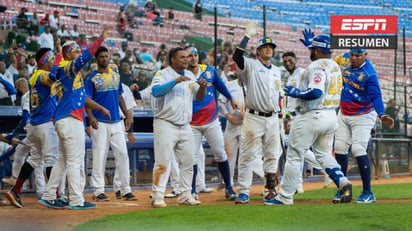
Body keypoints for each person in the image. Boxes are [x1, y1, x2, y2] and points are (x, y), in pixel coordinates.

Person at [264, 34, 353, 205]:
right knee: (324, 154)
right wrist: (312, 45)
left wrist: (296, 93)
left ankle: (285, 197)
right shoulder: (334, 65)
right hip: (331, 116)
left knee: (295, 155)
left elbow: (316, 92)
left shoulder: (316, 66)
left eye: (313, 49)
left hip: (313, 116)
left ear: (318, 50)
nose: (311, 51)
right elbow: (323, 63)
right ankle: (343, 182)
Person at [38, 27, 111, 210]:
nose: (79, 52)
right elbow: (85, 57)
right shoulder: (70, 68)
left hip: (65, 118)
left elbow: (82, 97)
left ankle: (48, 196)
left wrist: (100, 107)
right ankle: (76, 200)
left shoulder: (65, 69)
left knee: (63, 159)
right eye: (75, 50)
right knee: (74, 159)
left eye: (79, 49)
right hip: (70, 118)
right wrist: (99, 40)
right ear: (69, 55)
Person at [333, 48, 394, 203]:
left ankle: (368, 192)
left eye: (358, 56)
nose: (353, 58)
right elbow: (329, 63)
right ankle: (343, 188)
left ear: (365, 55)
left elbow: (376, 96)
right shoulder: (344, 59)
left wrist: (381, 114)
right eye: (352, 55)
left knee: (358, 148)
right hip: (344, 112)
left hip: (364, 114)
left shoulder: (369, 74)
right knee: (339, 147)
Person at [150, 47, 207, 208]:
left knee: (189, 160)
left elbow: (198, 96)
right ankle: (157, 195)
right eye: (182, 57)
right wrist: (174, 81)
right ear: (173, 59)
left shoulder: (189, 75)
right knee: (162, 161)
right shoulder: (163, 74)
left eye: (187, 57)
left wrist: (202, 87)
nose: (186, 60)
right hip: (165, 122)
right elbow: (155, 91)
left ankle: (185, 195)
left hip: (185, 124)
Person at [232, 22, 282, 204]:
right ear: (258, 51)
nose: (268, 49)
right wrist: (247, 36)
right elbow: (237, 56)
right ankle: (244, 191)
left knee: (272, 155)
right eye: (264, 47)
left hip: (273, 117)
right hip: (254, 117)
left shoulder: (277, 70)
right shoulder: (251, 65)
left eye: (271, 47)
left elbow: (277, 95)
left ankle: (270, 190)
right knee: (247, 154)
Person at [4, 48, 61, 208]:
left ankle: (15, 191)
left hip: (35, 125)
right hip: (45, 124)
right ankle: (52, 196)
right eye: (49, 59)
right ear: (43, 61)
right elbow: (52, 76)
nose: (52, 62)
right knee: (51, 159)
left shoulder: (34, 75)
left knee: (34, 159)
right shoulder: (42, 75)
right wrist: (58, 57)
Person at [85, 46, 137, 202]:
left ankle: (125, 189)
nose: (104, 59)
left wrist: (127, 115)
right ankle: (98, 190)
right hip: (99, 122)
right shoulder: (91, 77)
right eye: (101, 57)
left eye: (106, 56)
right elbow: (87, 100)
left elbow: (120, 97)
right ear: (96, 59)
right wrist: (91, 117)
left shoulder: (115, 75)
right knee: (99, 156)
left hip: (116, 121)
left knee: (122, 154)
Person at [185, 46, 237, 200]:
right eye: (189, 55)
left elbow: (221, 86)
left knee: (220, 153)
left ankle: (229, 187)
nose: (193, 58)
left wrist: (231, 98)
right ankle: (192, 190)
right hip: (192, 122)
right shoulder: (182, 74)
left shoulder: (209, 70)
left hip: (211, 120)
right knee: (192, 157)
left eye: (195, 55)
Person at [281, 51, 333, 190]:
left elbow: (310, 90)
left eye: (290, 60)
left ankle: (328, 168)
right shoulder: (291, 76)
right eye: (285, 61)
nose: (287, 63)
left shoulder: (302, 73)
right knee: (294, 151)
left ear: (296, 60)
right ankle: (298, 185)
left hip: (300, 114)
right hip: (292, 115)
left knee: (298, 150)